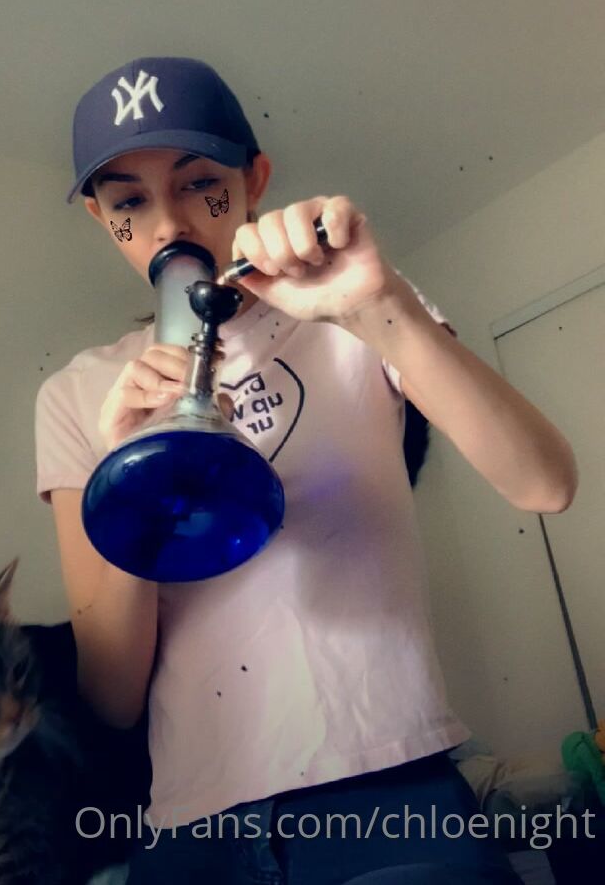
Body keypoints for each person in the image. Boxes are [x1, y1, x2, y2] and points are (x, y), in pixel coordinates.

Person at [35, 56, 577, 885]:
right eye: (129, 202)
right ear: (99, 216)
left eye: (200, 183)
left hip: (391, 786)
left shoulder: (349, 312)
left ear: (254, 180)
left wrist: (378, 305)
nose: (169, 223)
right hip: (193, 824)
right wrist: (132, 479)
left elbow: (546, 484)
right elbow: (111, 696)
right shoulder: (79, 393)